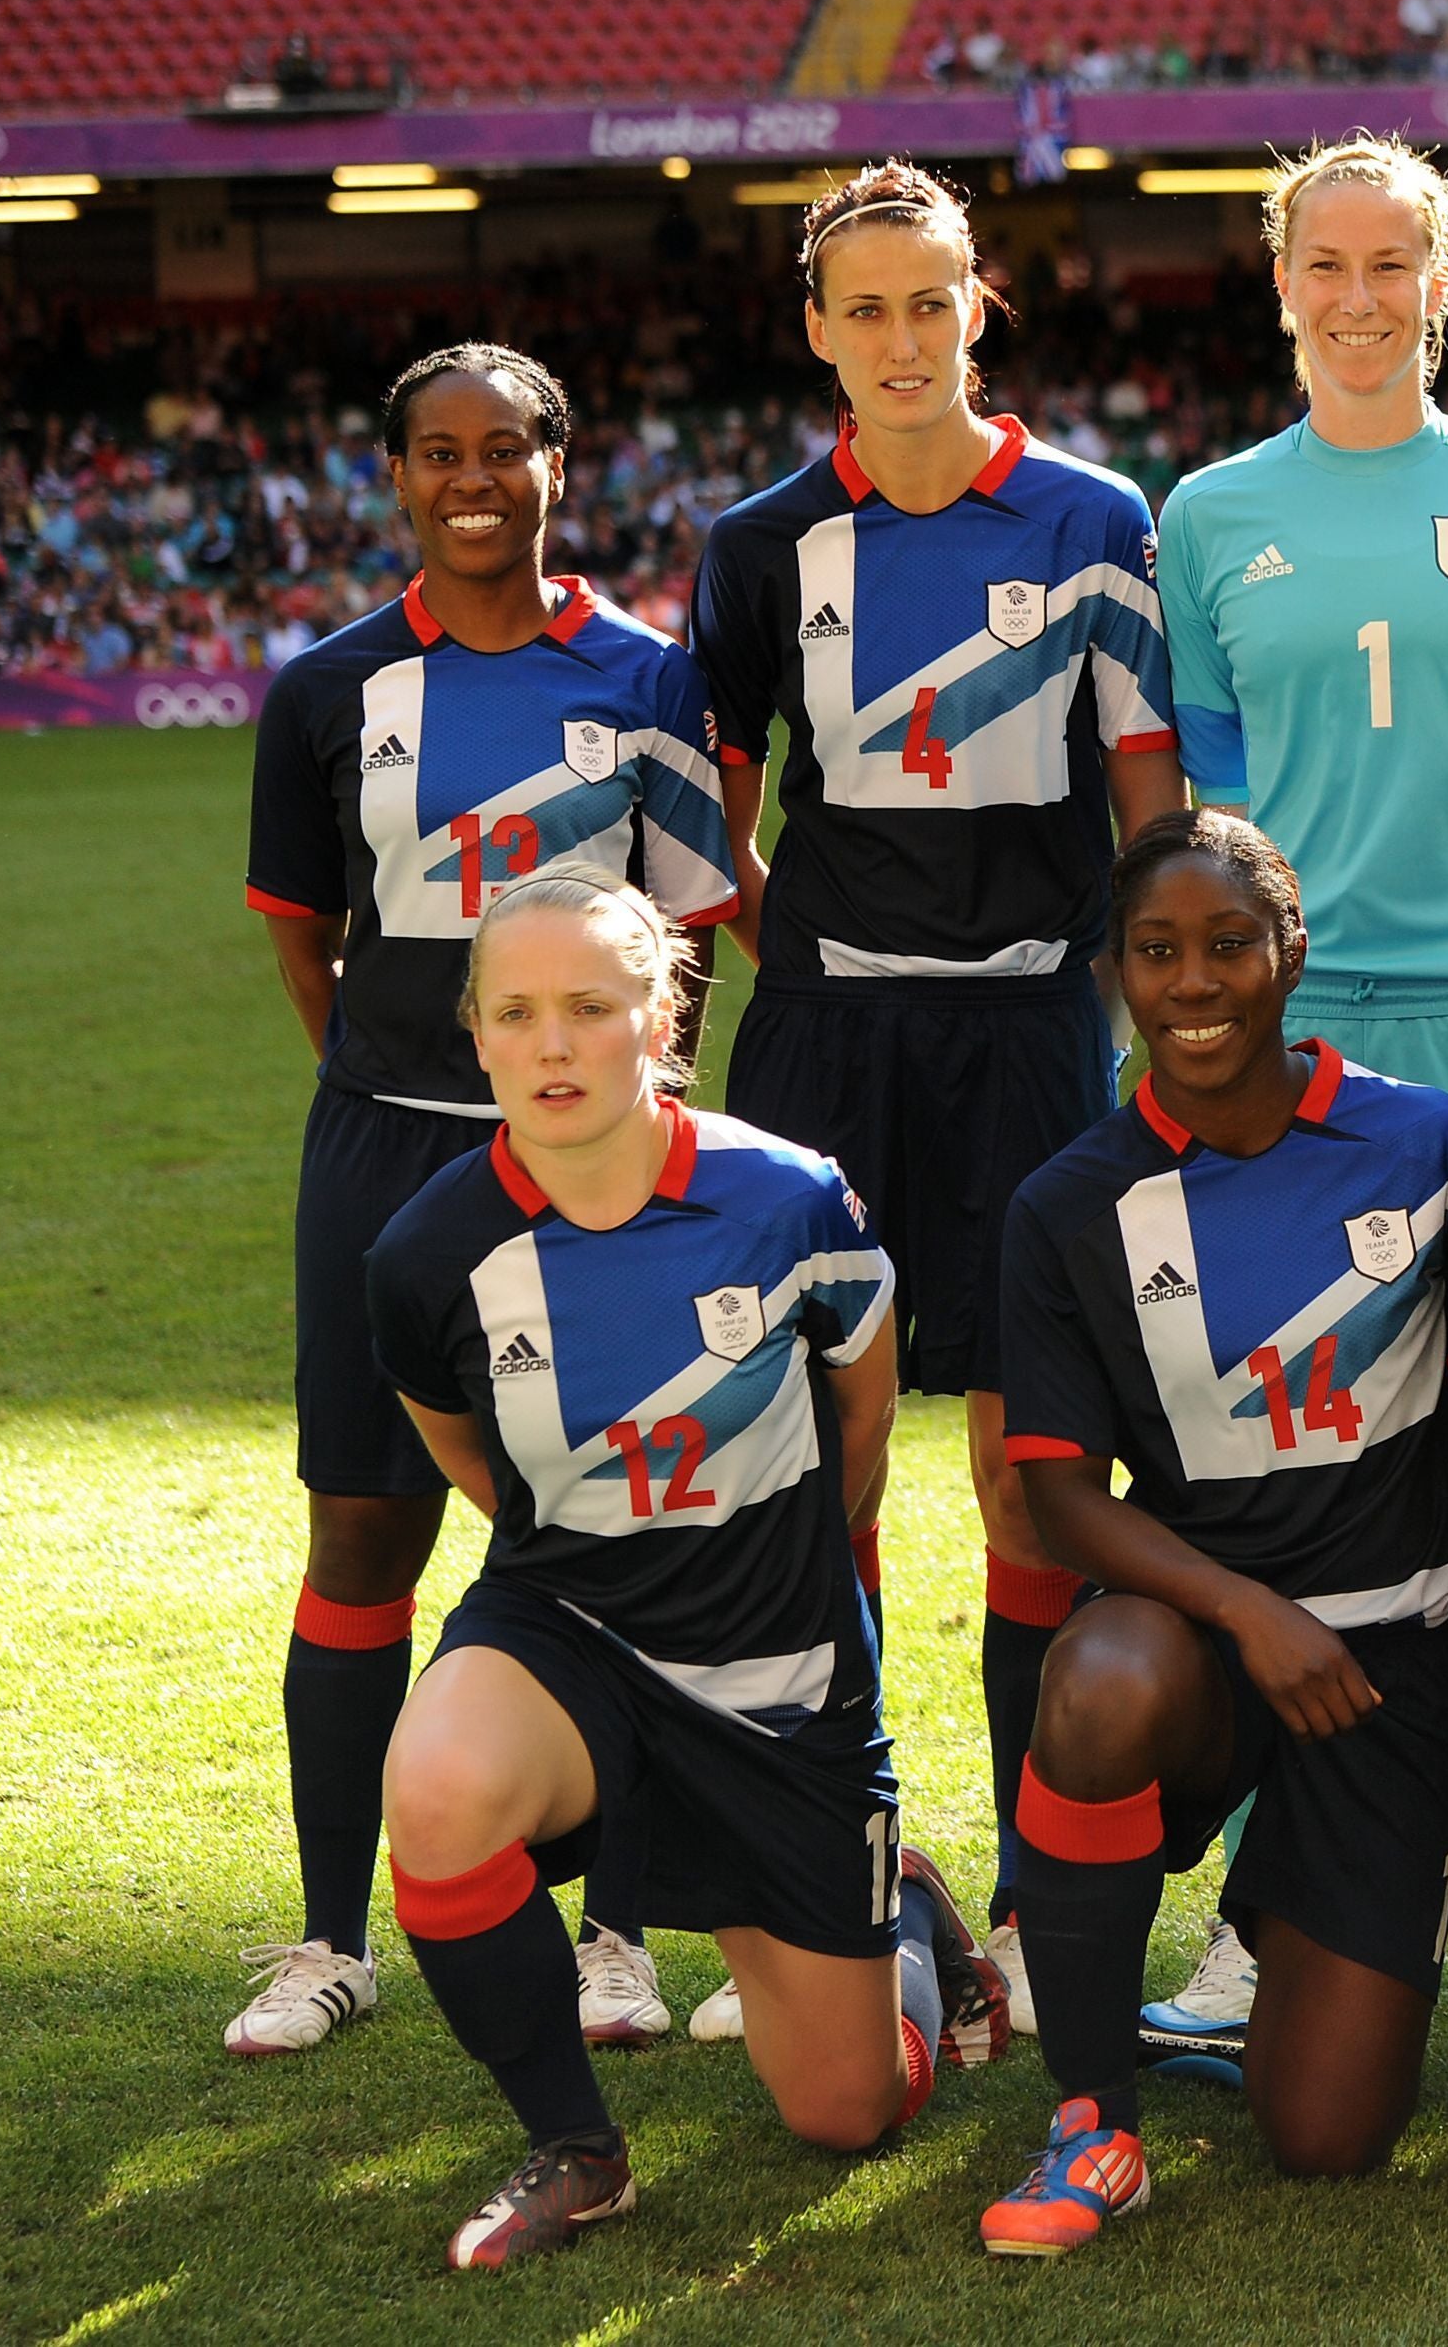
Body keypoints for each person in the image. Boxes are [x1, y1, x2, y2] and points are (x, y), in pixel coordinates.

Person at [692, 160, 1184, 2034]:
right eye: (866, 307)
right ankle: (840, 1868)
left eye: (934, 299)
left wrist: (1135, 1004)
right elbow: (712, 817)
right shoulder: (759, 545)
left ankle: (1051, 1882)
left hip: (1033, 1036)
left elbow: (1147, 796)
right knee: (825, 1453)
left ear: (982, 307)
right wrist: (803, 965)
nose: (904, 337)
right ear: (818, 330)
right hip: (826, 1043)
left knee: (1025, 1460)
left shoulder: (1087, 517)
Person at [363, 869, 1007, 2268]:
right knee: (436, 1786)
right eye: (516, 1011)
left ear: (660, 1018)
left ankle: (900, 1906)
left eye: (590, 1007)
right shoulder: (427, 1253)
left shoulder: (789, 1202)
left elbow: (862, 1426)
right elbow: (478, 1463)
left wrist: (759, 1574)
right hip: (571, 1629)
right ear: (472, 1031)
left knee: (847, 2112)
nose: (551, 1043)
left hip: (778, 1671)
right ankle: (579, 2149)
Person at [238, 343, 738, 2060]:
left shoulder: (653, 678)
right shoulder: (326, 688)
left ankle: (615, 1936)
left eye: (506, 449)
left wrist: (621, 1114)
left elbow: (687, 941)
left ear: (557, 464)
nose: (473, 478)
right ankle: (326, 1935)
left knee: (620, 1527)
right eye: (438, 452)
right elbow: (306, 937)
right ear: (394, 478)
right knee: (366, 1526)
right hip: (386, 1148)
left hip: (596, 1160)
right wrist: (402, 1084)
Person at [975, 813, 1448, 2253]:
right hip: (1208, 1646)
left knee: (1326, 2141)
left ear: (1290, 953)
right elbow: (1061, 1494)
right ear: (1115, 975)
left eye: (1226, 943)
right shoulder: (1068, 1202)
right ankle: (1089, 2120)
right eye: (1157, 952)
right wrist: (1251, 1611)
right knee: (1100, 1674)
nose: (1193, 982)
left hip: (1393, 1670)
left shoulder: (1431, 1143)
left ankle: (1287, 1913)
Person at [1157, 133, 1448, 1134]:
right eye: (1325, 266)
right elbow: (1218, 797)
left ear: (1437, 283)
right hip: (1280, 1026)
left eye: (1389, 266)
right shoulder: (1203, 517)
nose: (1357, 299)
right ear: (1283, 283)